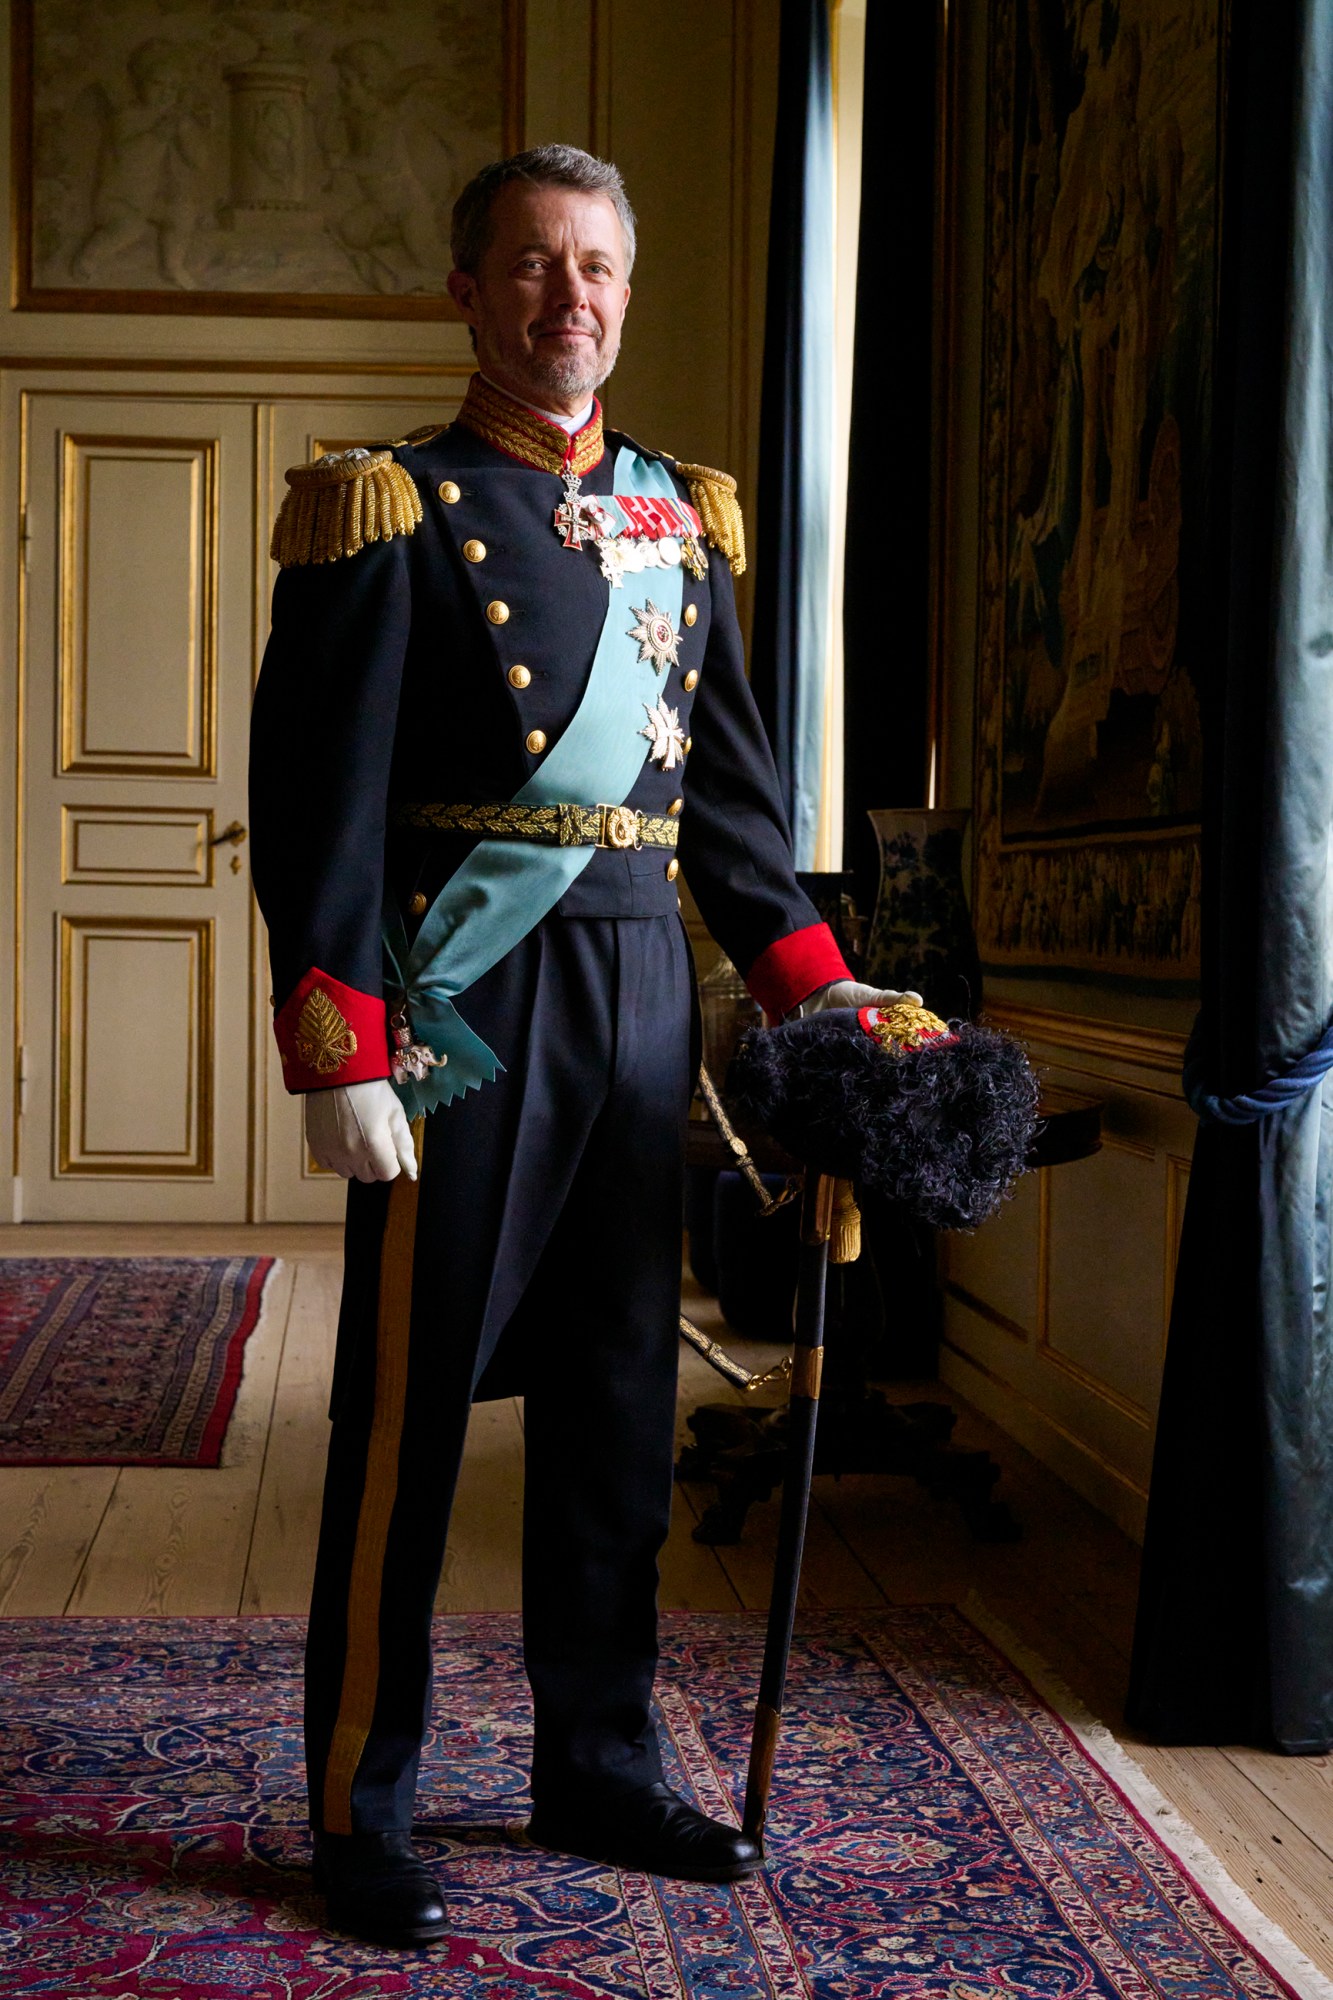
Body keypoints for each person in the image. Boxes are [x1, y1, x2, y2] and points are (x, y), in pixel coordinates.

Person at [249, 143, 909, 1950]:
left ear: (627, 290)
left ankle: (598, 1767)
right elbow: (317, 807)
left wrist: (827, 1001)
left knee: (621, 1410)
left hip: (635, 1006)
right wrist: (339, 1050)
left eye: (598, 265)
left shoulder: (680, 519)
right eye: (535, 264)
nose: (571, 297)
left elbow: (737, 823)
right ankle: (363, 1797)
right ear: (469, 290)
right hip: (458, 1015)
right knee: (406, 1423)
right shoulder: (385, 506)